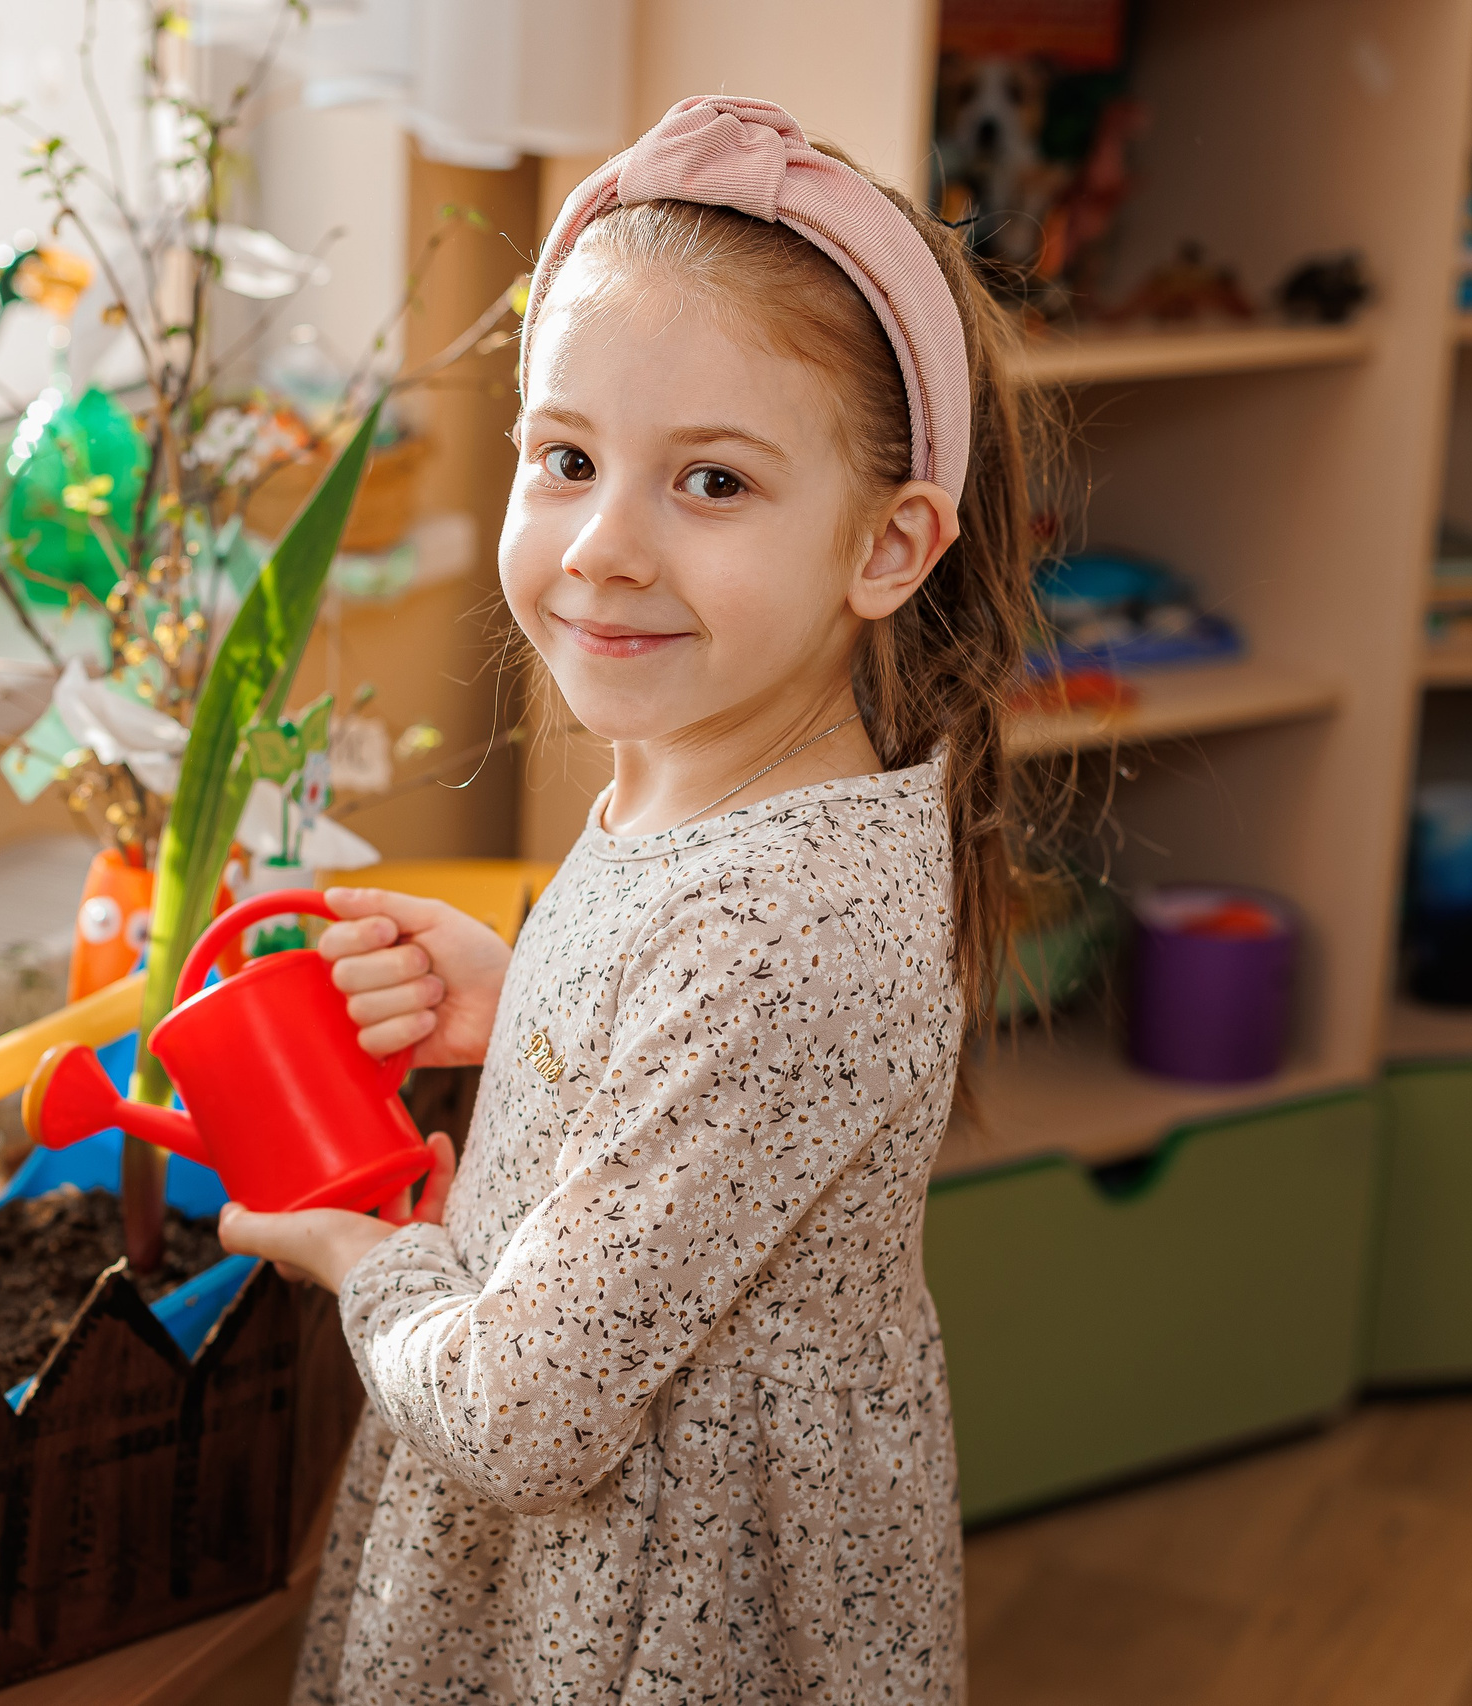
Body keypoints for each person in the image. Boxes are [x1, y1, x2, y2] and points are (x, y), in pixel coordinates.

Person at [219, 95, 1052, 1704]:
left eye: (714, 483)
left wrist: (364, 1256)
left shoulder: (780, 929)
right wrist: (525, 991)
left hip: (645, 1617)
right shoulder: (718, 778)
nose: (601, 546)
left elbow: (528, 1413)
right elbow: (685, 1061)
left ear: (889, 544)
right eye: (567, 457)